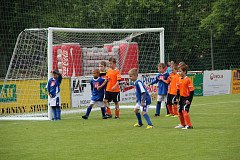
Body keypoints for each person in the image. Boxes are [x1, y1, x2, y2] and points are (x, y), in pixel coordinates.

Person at [175, 64, 194, 129]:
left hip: (187, 98)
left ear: (185, 72)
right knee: (180, 111)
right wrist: (177, 97)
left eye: (180, 71)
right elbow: (178, 90)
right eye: (178, 71)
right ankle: (182, 124)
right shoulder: (179, 79)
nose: (179, 73)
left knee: (184, 111)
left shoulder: (188, 80)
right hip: (182, 98)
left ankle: (189, 125)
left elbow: (192, 91)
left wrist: (189, 100)